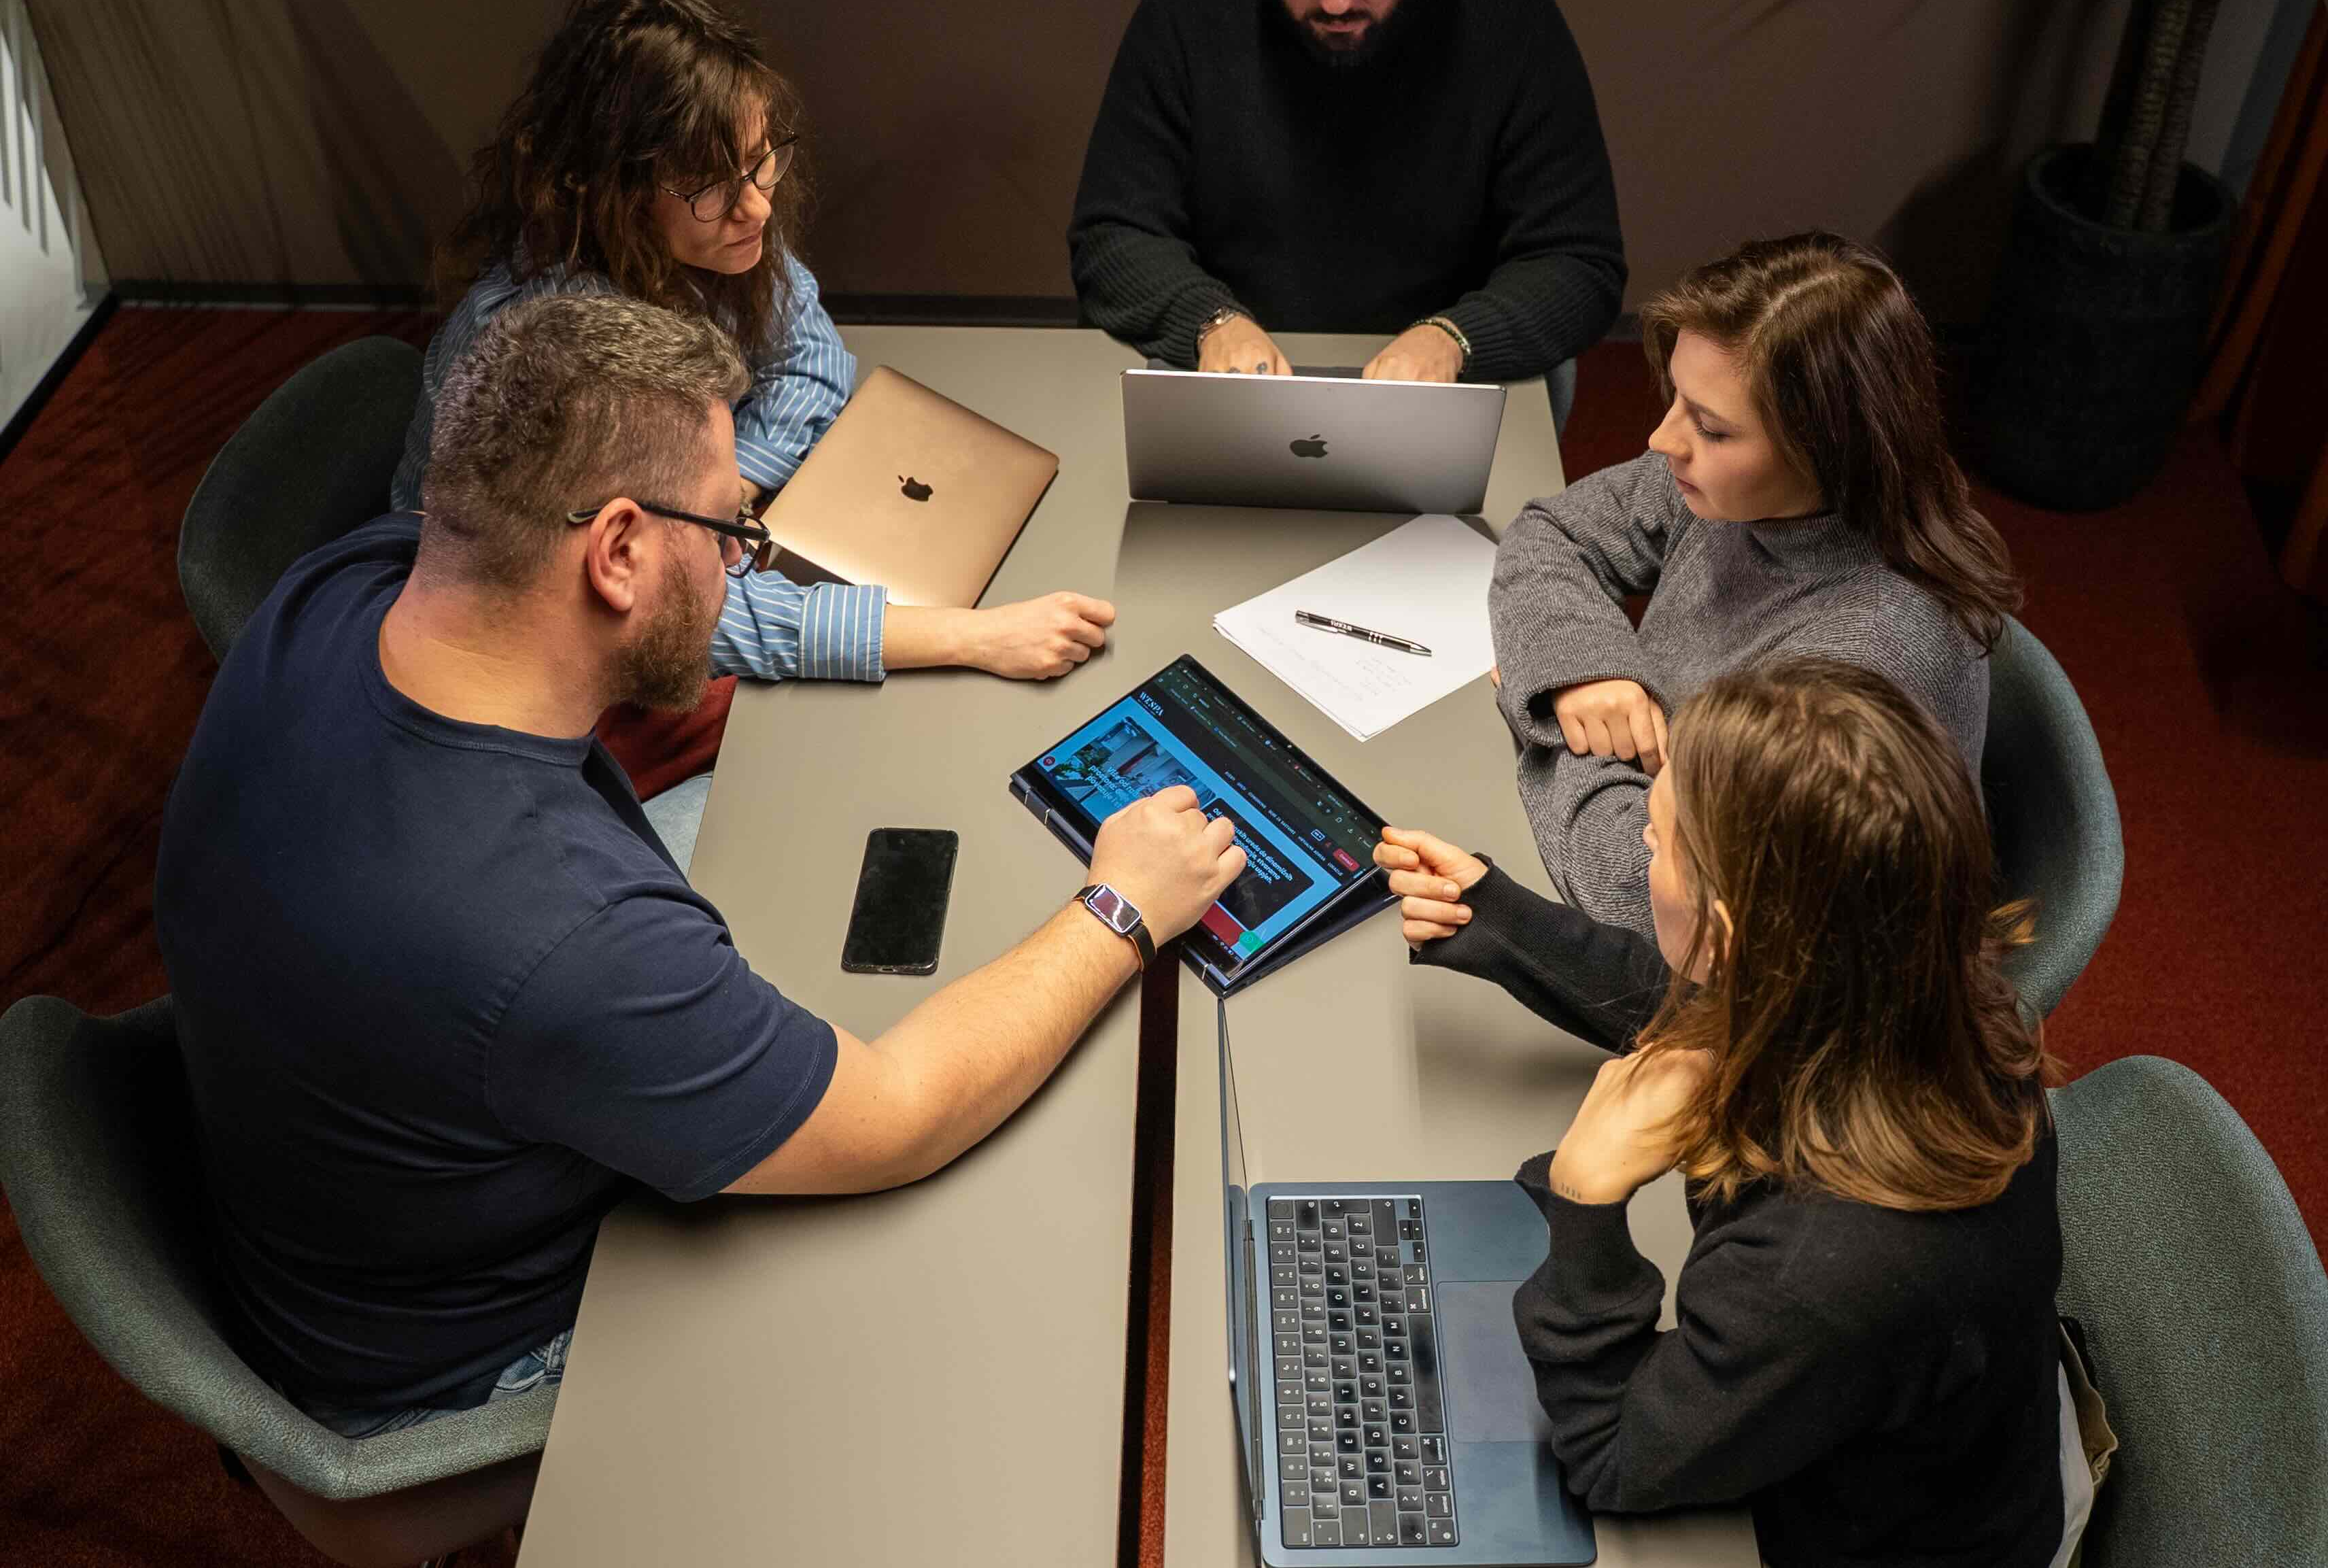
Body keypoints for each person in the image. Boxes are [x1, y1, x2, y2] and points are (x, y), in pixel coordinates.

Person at [156, 292, 1246, 1437]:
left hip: (346, 1199)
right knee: (985, 1284)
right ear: (618, 549)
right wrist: (1121, 903)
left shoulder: (340, 590)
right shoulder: (561, 937)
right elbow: (899, 1116)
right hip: (458, 1358)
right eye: (733, 533)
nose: (743, 564)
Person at [1375, 660, 2089, 1568]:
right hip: (1948, 1431)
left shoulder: (1817, 1266)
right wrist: (1498, 917)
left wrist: (1586, 1195)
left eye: (1662, 837)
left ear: (1727, 929)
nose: (1641, 832)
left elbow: (1612, 1455)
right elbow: (1720, 1011)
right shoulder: (1931, 994)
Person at [396, 0, 1109, 692]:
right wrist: (967, 636)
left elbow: (812, 359)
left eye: (762, 160)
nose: (758, 206)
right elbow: (687, 616)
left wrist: (730, 486)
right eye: (710, 186)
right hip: (523, 669)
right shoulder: (550, 355)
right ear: (613, 188)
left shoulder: (704, 239)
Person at [1069, 0, 1624, 420]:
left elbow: (1577, 260)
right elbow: (1112, 232)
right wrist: (1208, 321)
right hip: (1233, 365)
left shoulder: (1513, 21)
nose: (1335, 0)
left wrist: (1454, 338)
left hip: (1444, 373)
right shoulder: (1186, 7)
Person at [1491, 232, 2019, 930]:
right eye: (1676, 397)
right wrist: (1588, 675)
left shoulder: (1859, 664)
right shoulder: (1742, 489)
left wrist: (1557, 722)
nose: (1662, 440)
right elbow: (1551, 532)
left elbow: (1645, 894)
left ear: (1826, 442)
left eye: (1710, 428)